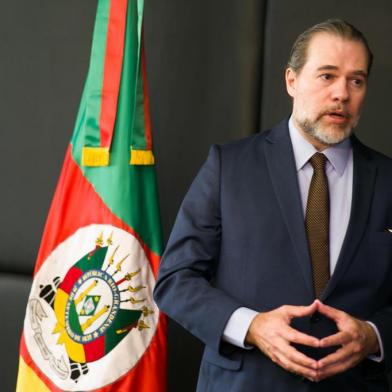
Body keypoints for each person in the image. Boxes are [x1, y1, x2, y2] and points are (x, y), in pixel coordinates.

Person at [154, 19, 392, 391]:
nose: (342, 94)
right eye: (327, 76)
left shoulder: (389, 181)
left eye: (356, 80)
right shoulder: (227, 166)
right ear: (291, 81)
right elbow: (175, 280)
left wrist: (375, 336)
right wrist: (250, 326)